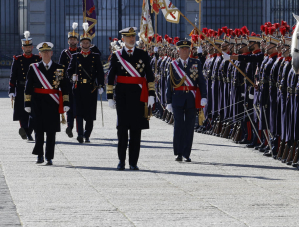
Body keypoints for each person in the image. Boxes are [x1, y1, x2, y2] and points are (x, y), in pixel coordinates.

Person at [106, 27, 155, 170]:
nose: (131, 39)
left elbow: (149, 75)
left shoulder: (143, 54)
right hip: (122, 97)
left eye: (133, 36)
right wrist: (110, 97)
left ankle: (133, 162)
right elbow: (110, 77)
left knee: (136, 131)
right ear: (123, 39)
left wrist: (151, 94)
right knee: (122, 130)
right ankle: (121, 161)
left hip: (139, 97)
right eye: (128, 37)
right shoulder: (117, 56)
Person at [24, 42, 70, 165]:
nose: (45, 54)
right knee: (38, 130)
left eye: (47, 52)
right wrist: (27, 103)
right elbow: (28, 87)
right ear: (39, 54)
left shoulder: (59, 68)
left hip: (52, 103)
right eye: (43, 52)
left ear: (51, 53)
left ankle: (49, 157)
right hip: (37, 102)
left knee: (51, 131)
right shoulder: (34, 68)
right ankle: (39, 155)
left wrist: (66, 102)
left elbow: (64, 87)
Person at [165, 39, 207, 162]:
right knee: (178, 126)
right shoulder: (173, 64)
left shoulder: (196, 63)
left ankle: (186, 153)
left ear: (190, 50)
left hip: (191, 99)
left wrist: (203, 96)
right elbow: (170, 84)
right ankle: (178, 152)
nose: (185, 51)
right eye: (182, 49)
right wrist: (168, 101)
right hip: (177, 98)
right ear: (178, 51)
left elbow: (201, 81)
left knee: (189, 127)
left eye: (187, 49)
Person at [67, 23, 105, 143]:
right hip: (78, 88)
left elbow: (100, 72)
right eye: (83, 43)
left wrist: (101, 85)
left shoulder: (95, 56)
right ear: (80, 44)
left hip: (90, 88)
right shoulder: (75, 56)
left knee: (89, 113)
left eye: (87, 43)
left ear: (90, 44)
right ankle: (80, 133)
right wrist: (71, 77)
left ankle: (87, 134)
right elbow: (68, 71)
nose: (85, 45)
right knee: (78, 112)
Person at [9, 31, 39, 141]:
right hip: (21, 88)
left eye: (29, 46)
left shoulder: (37, 59)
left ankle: (28, 131)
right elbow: (13, 76)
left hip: (33, 89)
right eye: (25, 47)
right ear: (23, 48)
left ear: (32, 47)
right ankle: (25, 129)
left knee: (33, 111)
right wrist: (11, 90)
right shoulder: (18, 60)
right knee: (22, 112)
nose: (27, 49)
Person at [59, 22, 80, 138]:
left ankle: (78, 129)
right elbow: (61, 68)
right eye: (70, 40)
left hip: (79, 83)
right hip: (67, 83)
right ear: (68, 41)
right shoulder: (64, 53)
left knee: (78, 106)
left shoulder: (81, 51)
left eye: (74, 40)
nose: (72, 42)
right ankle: (69, 127)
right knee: (68, 105)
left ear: (77, 41)